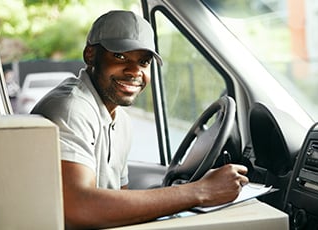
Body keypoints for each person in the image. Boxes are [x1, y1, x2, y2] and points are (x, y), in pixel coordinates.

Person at [31, 10, 249, 229]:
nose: (134, 71)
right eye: (120, 56)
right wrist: (200, 191)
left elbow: (118, 199)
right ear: (90, 55)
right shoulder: (72, 108)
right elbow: (78, 208)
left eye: (144, 62)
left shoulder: (121, 120)